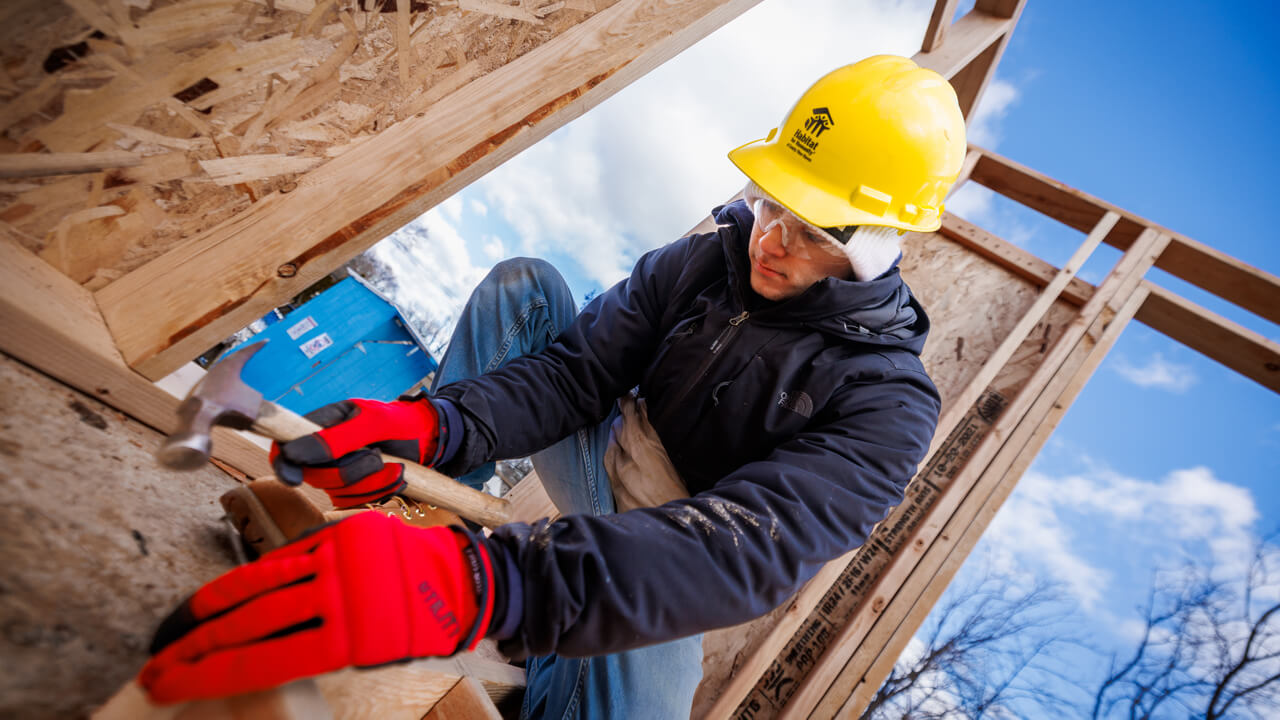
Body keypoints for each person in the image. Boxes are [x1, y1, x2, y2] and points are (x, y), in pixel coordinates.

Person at [139, 55, 967, 718]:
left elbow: (748, 548)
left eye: (810, 230)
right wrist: (436, 428)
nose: (771, 240)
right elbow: (578, 374)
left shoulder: (887, 403)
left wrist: (497, 585)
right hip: (602, 446)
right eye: (772, 202)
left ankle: (491, 608)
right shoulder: (709, 255)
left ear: (877, 242)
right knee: (526, 290)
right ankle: (414, 507)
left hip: (683, 538)